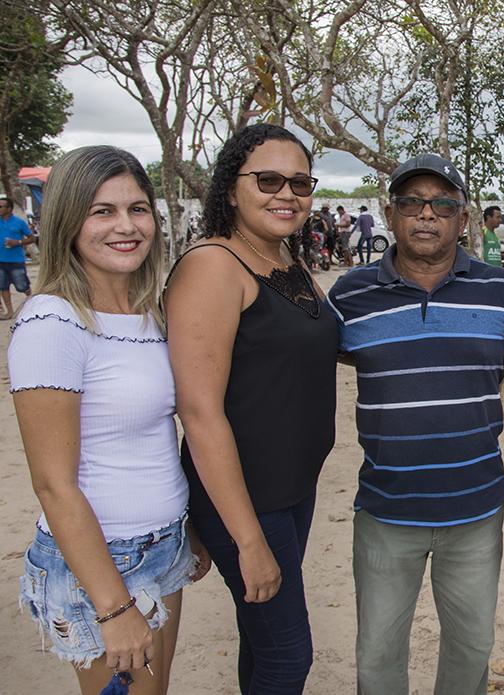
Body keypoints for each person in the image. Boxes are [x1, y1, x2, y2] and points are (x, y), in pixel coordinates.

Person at [328, 153, 504, 695]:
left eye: (443, 204)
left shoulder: (500, 291)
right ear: (390, 212)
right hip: (384, 512)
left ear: (463, 218)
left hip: (474, 513)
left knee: (471, 651)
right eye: (412, 202)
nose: (427, 215)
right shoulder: (351, 298)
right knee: (377, 656)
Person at [9, 146, 210, 694]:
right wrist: (113, 606)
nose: (126, 226)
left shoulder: (149, 313)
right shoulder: (52, 322)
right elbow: (54, 483)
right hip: (102, 563)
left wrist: (189, 529)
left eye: (137, 209)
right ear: (69, 222)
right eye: (103, 211)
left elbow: (158, 439)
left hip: (165, 544)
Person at [163, 124, 339, 695]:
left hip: (292, 489)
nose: (286, 193)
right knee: (289, 656)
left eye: (299, 182)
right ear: (231, 187)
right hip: (245, 497)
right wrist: (246, 539)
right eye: (267, 180)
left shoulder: (286, 258)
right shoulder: (213, 266)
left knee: (262, 636)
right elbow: (199, 411)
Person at [0, 195, 36, 319]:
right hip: (1, 260)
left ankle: (32, 303)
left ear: (9, 209)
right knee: (3, 286)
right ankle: (9, 312)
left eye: (1, 206)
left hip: (16, 260)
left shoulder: (19, 222)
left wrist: (17, 242)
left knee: (22, 286)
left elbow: (32, 238)